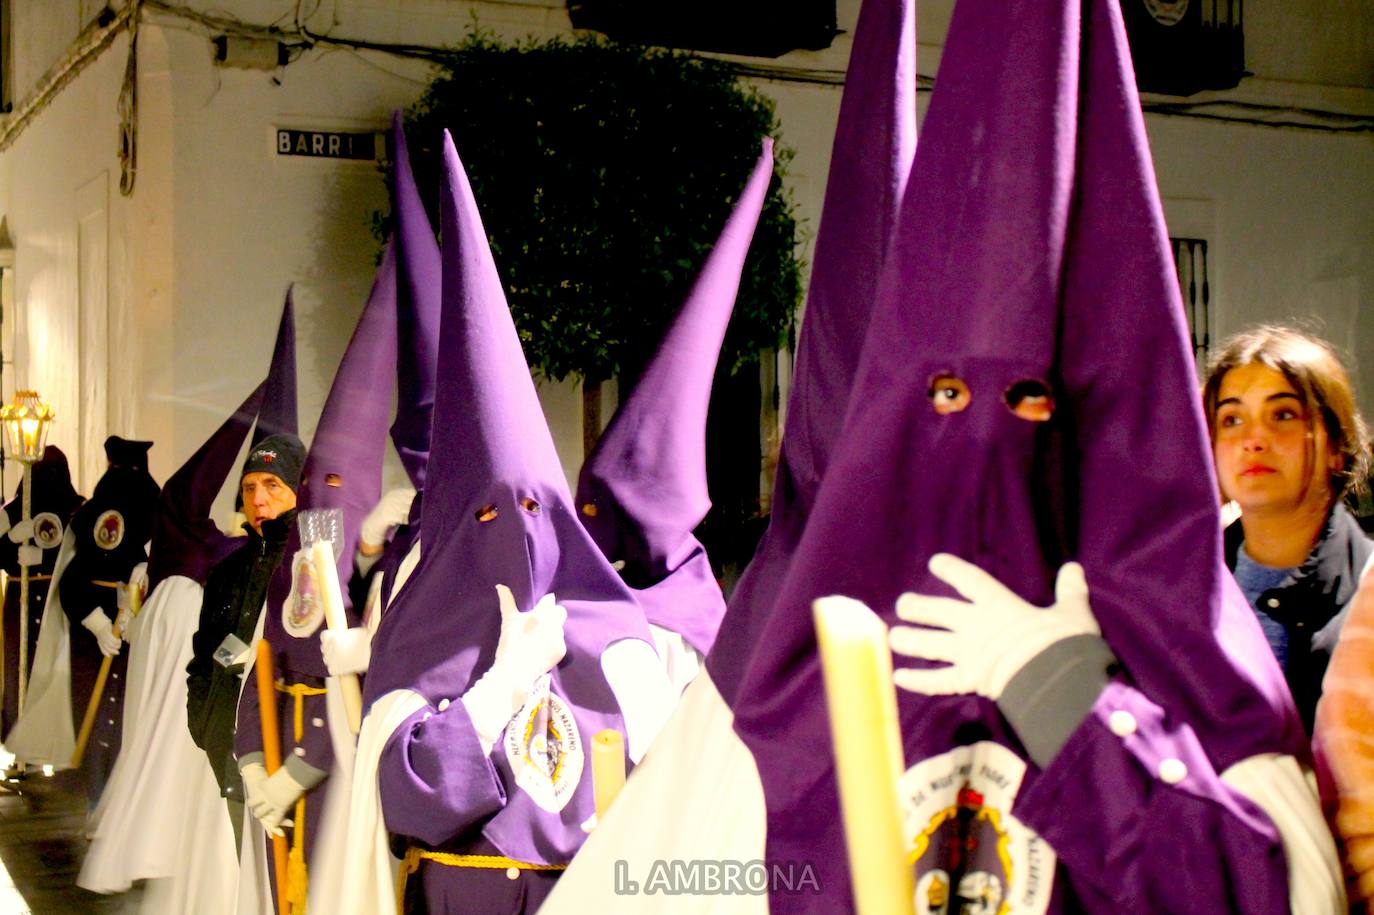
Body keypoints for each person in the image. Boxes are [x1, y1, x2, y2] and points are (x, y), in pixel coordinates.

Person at [1203, 325, 1373, 734]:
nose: (1253, 439)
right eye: (1231, 419)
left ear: (1335, 445)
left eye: (1283, 414)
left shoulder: (1368, 594)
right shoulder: (1178, 591)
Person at [186, 432, 304, 846]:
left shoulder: (311, 563)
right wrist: (203, 724)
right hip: (230, 753)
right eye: (249, 488)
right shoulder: (227, 570)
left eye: (273, 485)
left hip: (293, 759)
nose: (258, 499)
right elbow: (204, 656)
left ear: (299, 491)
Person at [0, 445, 83, 736]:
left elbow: (80, 552)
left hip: (55, 597)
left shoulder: (77, 510)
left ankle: (50, 738)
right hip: (19, 597)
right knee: (18, 667)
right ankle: (18, 737)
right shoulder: (12, 511)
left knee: (52, 668)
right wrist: (10, 540)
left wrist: (44, 558)